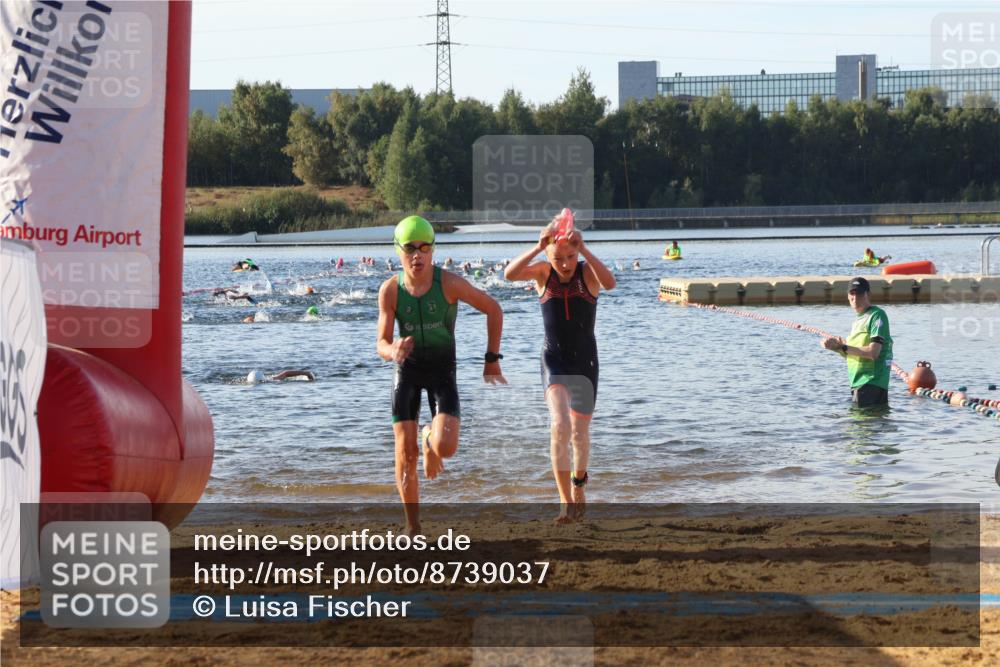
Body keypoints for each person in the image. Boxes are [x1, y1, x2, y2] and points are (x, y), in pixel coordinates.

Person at [376, 215, 506, 536]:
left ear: (433, 250)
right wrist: (393, 350)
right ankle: (413, 525)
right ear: (398, 251)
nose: (417, 255)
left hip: (442, 373)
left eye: (424, 248)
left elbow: (493, 309)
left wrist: (491, 359)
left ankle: (428, 437)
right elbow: (381, 341)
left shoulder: (447, 284)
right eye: (410, 248)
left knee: (446, 447)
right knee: (404, 452)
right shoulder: (390, 291)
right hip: (406, 372)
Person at [504, 214, 616, 524]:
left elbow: (611, 283)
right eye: (558, 257)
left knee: (579, 433)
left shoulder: (586, 274)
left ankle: (579, 484)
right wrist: (537, 247)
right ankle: (565, 501)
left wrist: (587, 250)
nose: (565, 264)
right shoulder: (543, 273)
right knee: (559, 426)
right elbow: (509, 275)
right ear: (547, 255)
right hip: (552, 360)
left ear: (577, 252)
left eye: (570, 256)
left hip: (585, 363)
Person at [821, 277, 894, 408]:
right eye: (852, 293)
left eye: (859, 293)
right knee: (858, 426)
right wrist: (836, 348)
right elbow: (852, 354)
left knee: (863, 426)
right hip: (858, 384)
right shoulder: (857, 321)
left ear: (868, 294)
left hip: (871, 383)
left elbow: (873, 353)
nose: (855, 297)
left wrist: (843, 346)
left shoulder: (877, 315)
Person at [246, 369, 316, 384]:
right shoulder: (272, 380)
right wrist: (307, 373)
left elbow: (286, 373)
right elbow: (286, 373)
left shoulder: (271, 380)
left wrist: (306, 373)